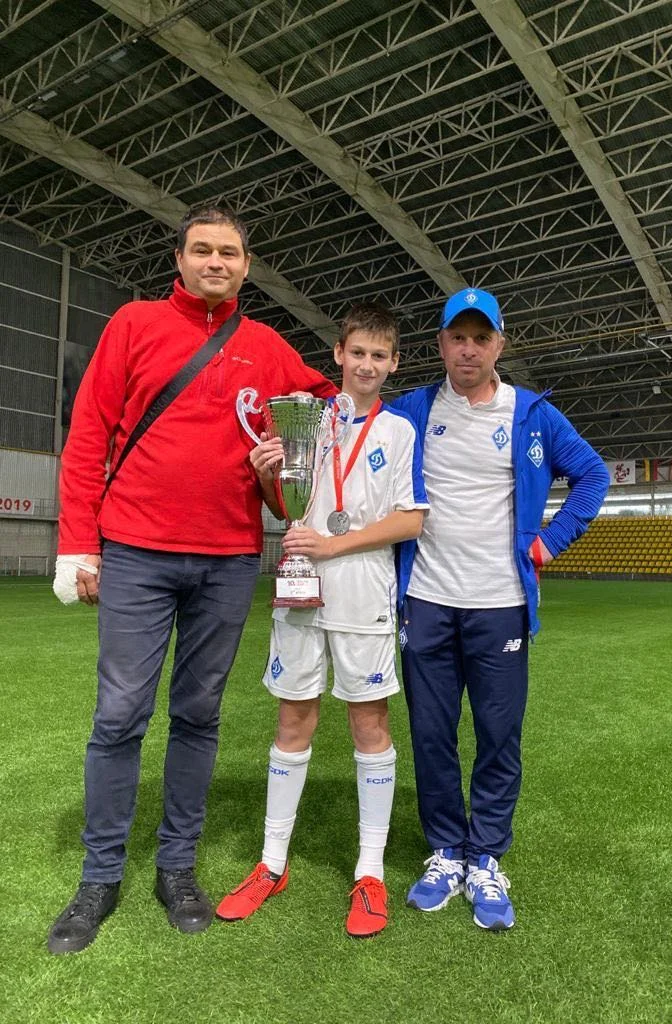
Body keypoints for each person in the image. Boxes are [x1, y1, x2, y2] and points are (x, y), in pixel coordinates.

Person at [47, 206, 336, 955]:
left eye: (229, 252)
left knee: (199, 716)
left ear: (246, 266)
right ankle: (99, 876)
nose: (216, 262)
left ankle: (176, 866)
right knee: (119, 716)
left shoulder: (265, 346)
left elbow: (332, 402)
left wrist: (304, 451)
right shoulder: (134, 324)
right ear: (179, 259)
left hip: (228, 558)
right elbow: (88, 435)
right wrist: (78, 545)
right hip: (136, 552)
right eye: (202, 249)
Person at [391, 287, 610, 931]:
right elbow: (353, 420)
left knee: (498, 735)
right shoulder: (412, 411)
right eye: (458, 338)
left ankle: (484, 855)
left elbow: (593, 475)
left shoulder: (532, 413)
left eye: (480, 338)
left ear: (499, 345)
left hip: (501, 605)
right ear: (440, 345)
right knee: (431, 735)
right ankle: (445, 851)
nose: (469, 349)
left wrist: (550, 542)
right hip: (426, 601)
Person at [216, 303, 427, 938]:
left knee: (369, 723)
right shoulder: (304, 419)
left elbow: (410, 519)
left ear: (393, 363)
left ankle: (370, 871)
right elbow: (288, 507)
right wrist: (268, 478)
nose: (366, 365)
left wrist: (335, 545)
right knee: (293, 718)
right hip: (300, 587)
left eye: (379, 356)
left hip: (363, 591)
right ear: (337, 354)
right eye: (357, 352)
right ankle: (271, 862)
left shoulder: (398, 431)